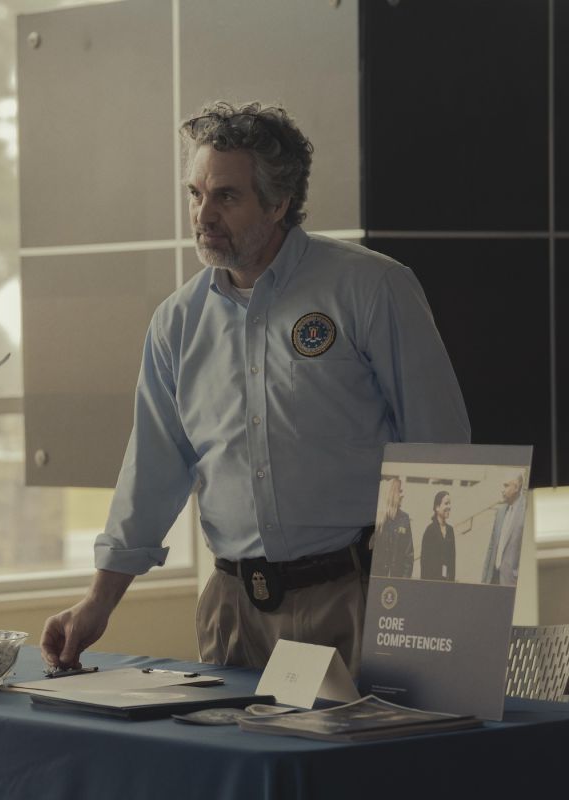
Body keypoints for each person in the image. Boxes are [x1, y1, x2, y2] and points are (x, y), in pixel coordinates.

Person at [40, 101, 469, 676]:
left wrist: (438, 621)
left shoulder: (372, 288)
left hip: (357, 600)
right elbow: (152, 471)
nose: (203, 214)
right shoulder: (178, 321)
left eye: (227, 196)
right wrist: (98, 602)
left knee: (367, 768)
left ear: (279, 202)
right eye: (195, 194)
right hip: (234, 613)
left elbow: (440, 447)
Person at [481, 474, 526, 586]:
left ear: (516, 487)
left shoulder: (526, 510)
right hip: (493, 578)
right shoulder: (500, 511)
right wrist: (484, 578)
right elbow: (491, 547)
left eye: (506, 485)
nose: (502, 490)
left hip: (511, 581)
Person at [371, 477, 414, 579]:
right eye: (400, 491)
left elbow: (408, 556)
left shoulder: (405, 518)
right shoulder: (378, 519)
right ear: (392, 493)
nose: (403, 495)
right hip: (377, 577)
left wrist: (404, 580)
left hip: (397, 579)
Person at [420, 491, 457, 581]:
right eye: (446, 503)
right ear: (437, 507)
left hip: (447, 584)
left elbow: (452, 561)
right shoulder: (430, 530)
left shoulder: (450, 530)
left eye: (450, 504)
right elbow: (424, 563)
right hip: (432, 583)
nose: (449, 507)